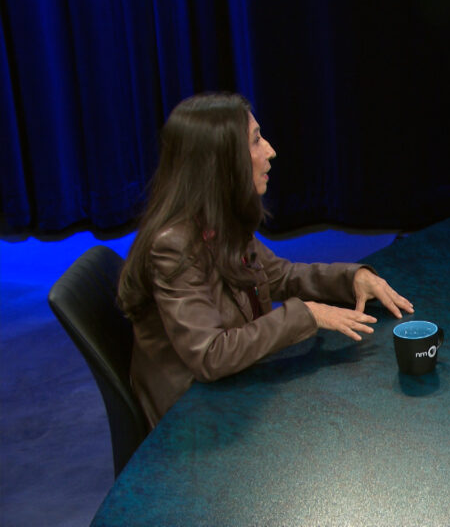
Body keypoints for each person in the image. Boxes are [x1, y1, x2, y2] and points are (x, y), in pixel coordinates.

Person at [118, 92, 414, 428]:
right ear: (221, 161)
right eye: (256, 141)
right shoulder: (172, 246)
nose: (270, 151)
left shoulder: (219, 218)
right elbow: (209, 355)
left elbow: (278, 276)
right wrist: (308, 313)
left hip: (231, 385)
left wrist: (350, 278)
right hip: (192, 414)